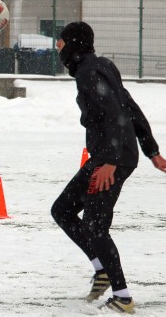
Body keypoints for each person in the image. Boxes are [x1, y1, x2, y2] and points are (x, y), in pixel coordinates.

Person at [50, 21, 166, 314]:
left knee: (95, 227)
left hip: (112, 158)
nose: (57, 46)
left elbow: (115, 114)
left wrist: (110, 163)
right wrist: (152, 151)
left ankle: (123, 298)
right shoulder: (102, 66)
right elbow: (130, 106)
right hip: (112, 154)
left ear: (73, 43)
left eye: (61, 41)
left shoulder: (89, 72)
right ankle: (101, 269)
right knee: (62, 209)